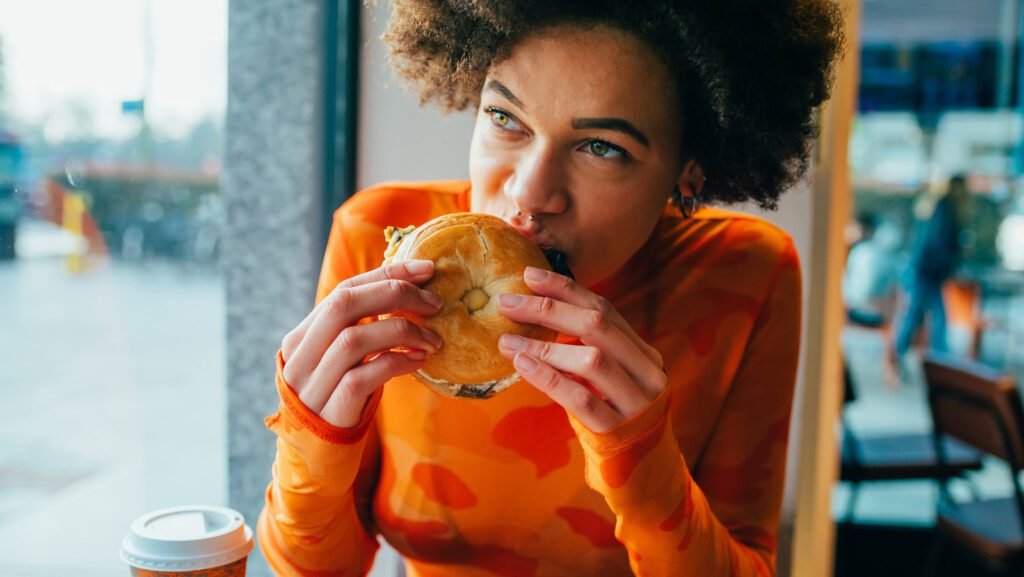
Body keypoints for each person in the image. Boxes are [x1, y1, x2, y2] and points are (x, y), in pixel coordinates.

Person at [258, 1, 844, 575]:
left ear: (689, 166)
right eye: (504, 117)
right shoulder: (375, 239)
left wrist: (649, 477)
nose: (530, 193)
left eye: (602, 147)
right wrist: (313, 449)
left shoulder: (745, 275)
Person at [892, 174, 969, 362]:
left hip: (927, 268)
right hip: (928, 270)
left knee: (920, 313)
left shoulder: (940, 206)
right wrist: (948, 263)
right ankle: (937, 359)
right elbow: (937, 242)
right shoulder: (946, 208)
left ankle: (904, 353)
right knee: (929, 314)